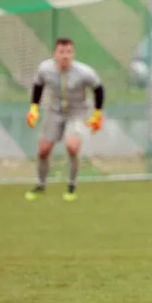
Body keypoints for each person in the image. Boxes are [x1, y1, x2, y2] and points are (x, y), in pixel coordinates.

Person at [25, 38, 105, 201]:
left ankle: (71, 185)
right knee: (43, 151)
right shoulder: (45, 68)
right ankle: (41, 185)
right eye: (61, 52)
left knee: (72, 147)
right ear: (55, 53)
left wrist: (97, 113)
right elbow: (38, 85)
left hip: (77, 111)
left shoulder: (84, 72)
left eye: (68, 52)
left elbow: (98, 89)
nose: (65, 56)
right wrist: (34, 108)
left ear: (73, 53)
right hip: (54, 111)